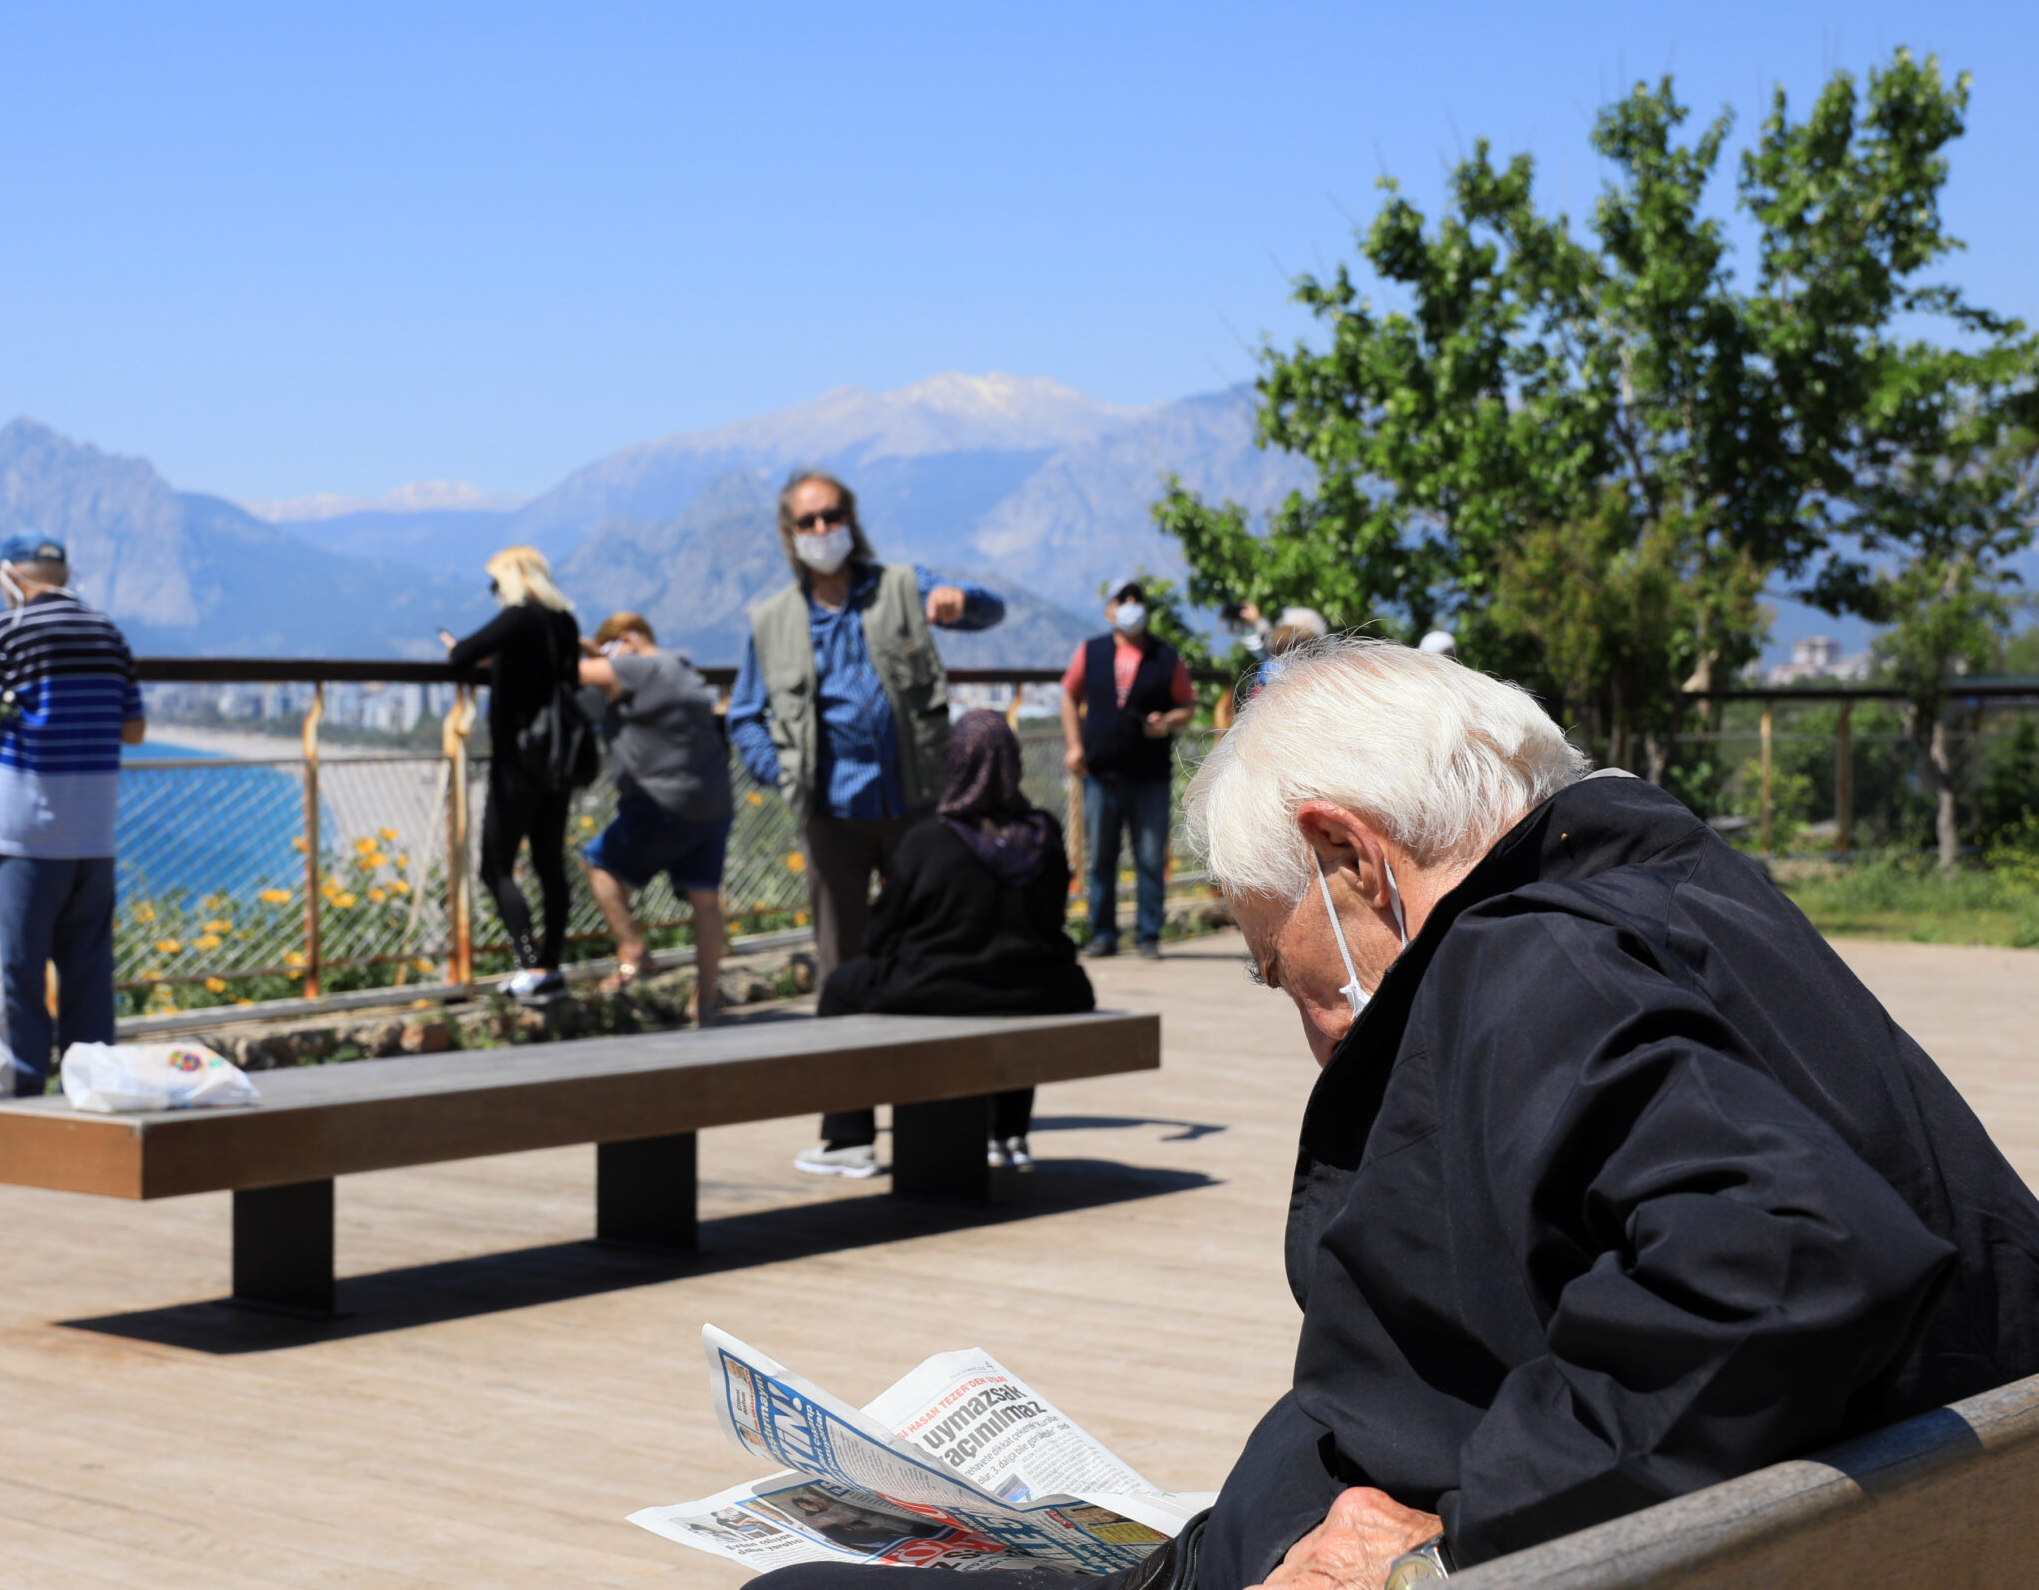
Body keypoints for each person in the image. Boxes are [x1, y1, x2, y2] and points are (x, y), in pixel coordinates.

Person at [754, 638, 2039, 1590]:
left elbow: (1792, 1251)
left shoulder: (1532, 964)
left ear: (1352, 856)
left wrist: (1459, 1539)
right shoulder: (1682, 901)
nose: (1310, 1026)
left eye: (1280, 966)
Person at [722, 470, 1004, 1177]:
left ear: (851, 519)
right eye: (807, 522)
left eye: (831, 516)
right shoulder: (773, 621)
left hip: (915, 809)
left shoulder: (903, 586)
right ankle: (848, 1130)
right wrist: (785, 774)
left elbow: (987, 608)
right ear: (791, 534)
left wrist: (961, 600)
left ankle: (945, 1111)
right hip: (832, 815)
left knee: (934, 955)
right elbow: (745, 716)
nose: (822, 532)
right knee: (842, 967)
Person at [813, 709, 1093, 1168]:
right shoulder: (1043, 833)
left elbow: (884, 932)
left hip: (937, 986)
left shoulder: (929, 841)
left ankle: (850, 1140)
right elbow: (1051, 918)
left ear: (955, 763)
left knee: (842, 987)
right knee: (1013, 997)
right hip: (1039, 988)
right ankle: (1007, 1135)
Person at [0, 531, 145, 1101]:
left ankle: (17, 1089)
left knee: (13, 968)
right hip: (93, 830)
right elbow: (133, 730)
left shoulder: (7, 629)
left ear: (12, 574)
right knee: (87, 973)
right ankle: (92, 1089)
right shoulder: (108, 631)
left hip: (20, 828)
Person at [442, 546, 584, 1007]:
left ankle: (528, 963)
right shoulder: (565, 621)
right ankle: (552, 967)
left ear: (511, 579)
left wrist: (456, 648)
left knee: (495, 865)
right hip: (558, 761)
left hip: (517, 762)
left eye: (494, 584)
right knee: (549, 865)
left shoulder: (519, 617)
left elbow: (461, 654)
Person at [576, 612, 734, 1023]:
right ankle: (705, 1000)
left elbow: (577, 672)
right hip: (713, 799)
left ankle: (633, 949)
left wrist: (589, 652)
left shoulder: (636, 665)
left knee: (598, 864)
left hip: (660, 800)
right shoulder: (681, 668)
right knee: (706, 900)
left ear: (626, 640)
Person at [1060, 582, 1197, 960]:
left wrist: (1167, 721)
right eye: (1124, 601)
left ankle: (1148, 935)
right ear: (1109, 611)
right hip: (1100, 773)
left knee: (1151, 857)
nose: (1132, 607)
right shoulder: (1090, 651)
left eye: (1138, 601)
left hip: (1149, 775)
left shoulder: (1165, 656)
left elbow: (1187, 705)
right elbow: (1069, 695)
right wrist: (1074, 746)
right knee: (1100, 859)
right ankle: (1102, 934)